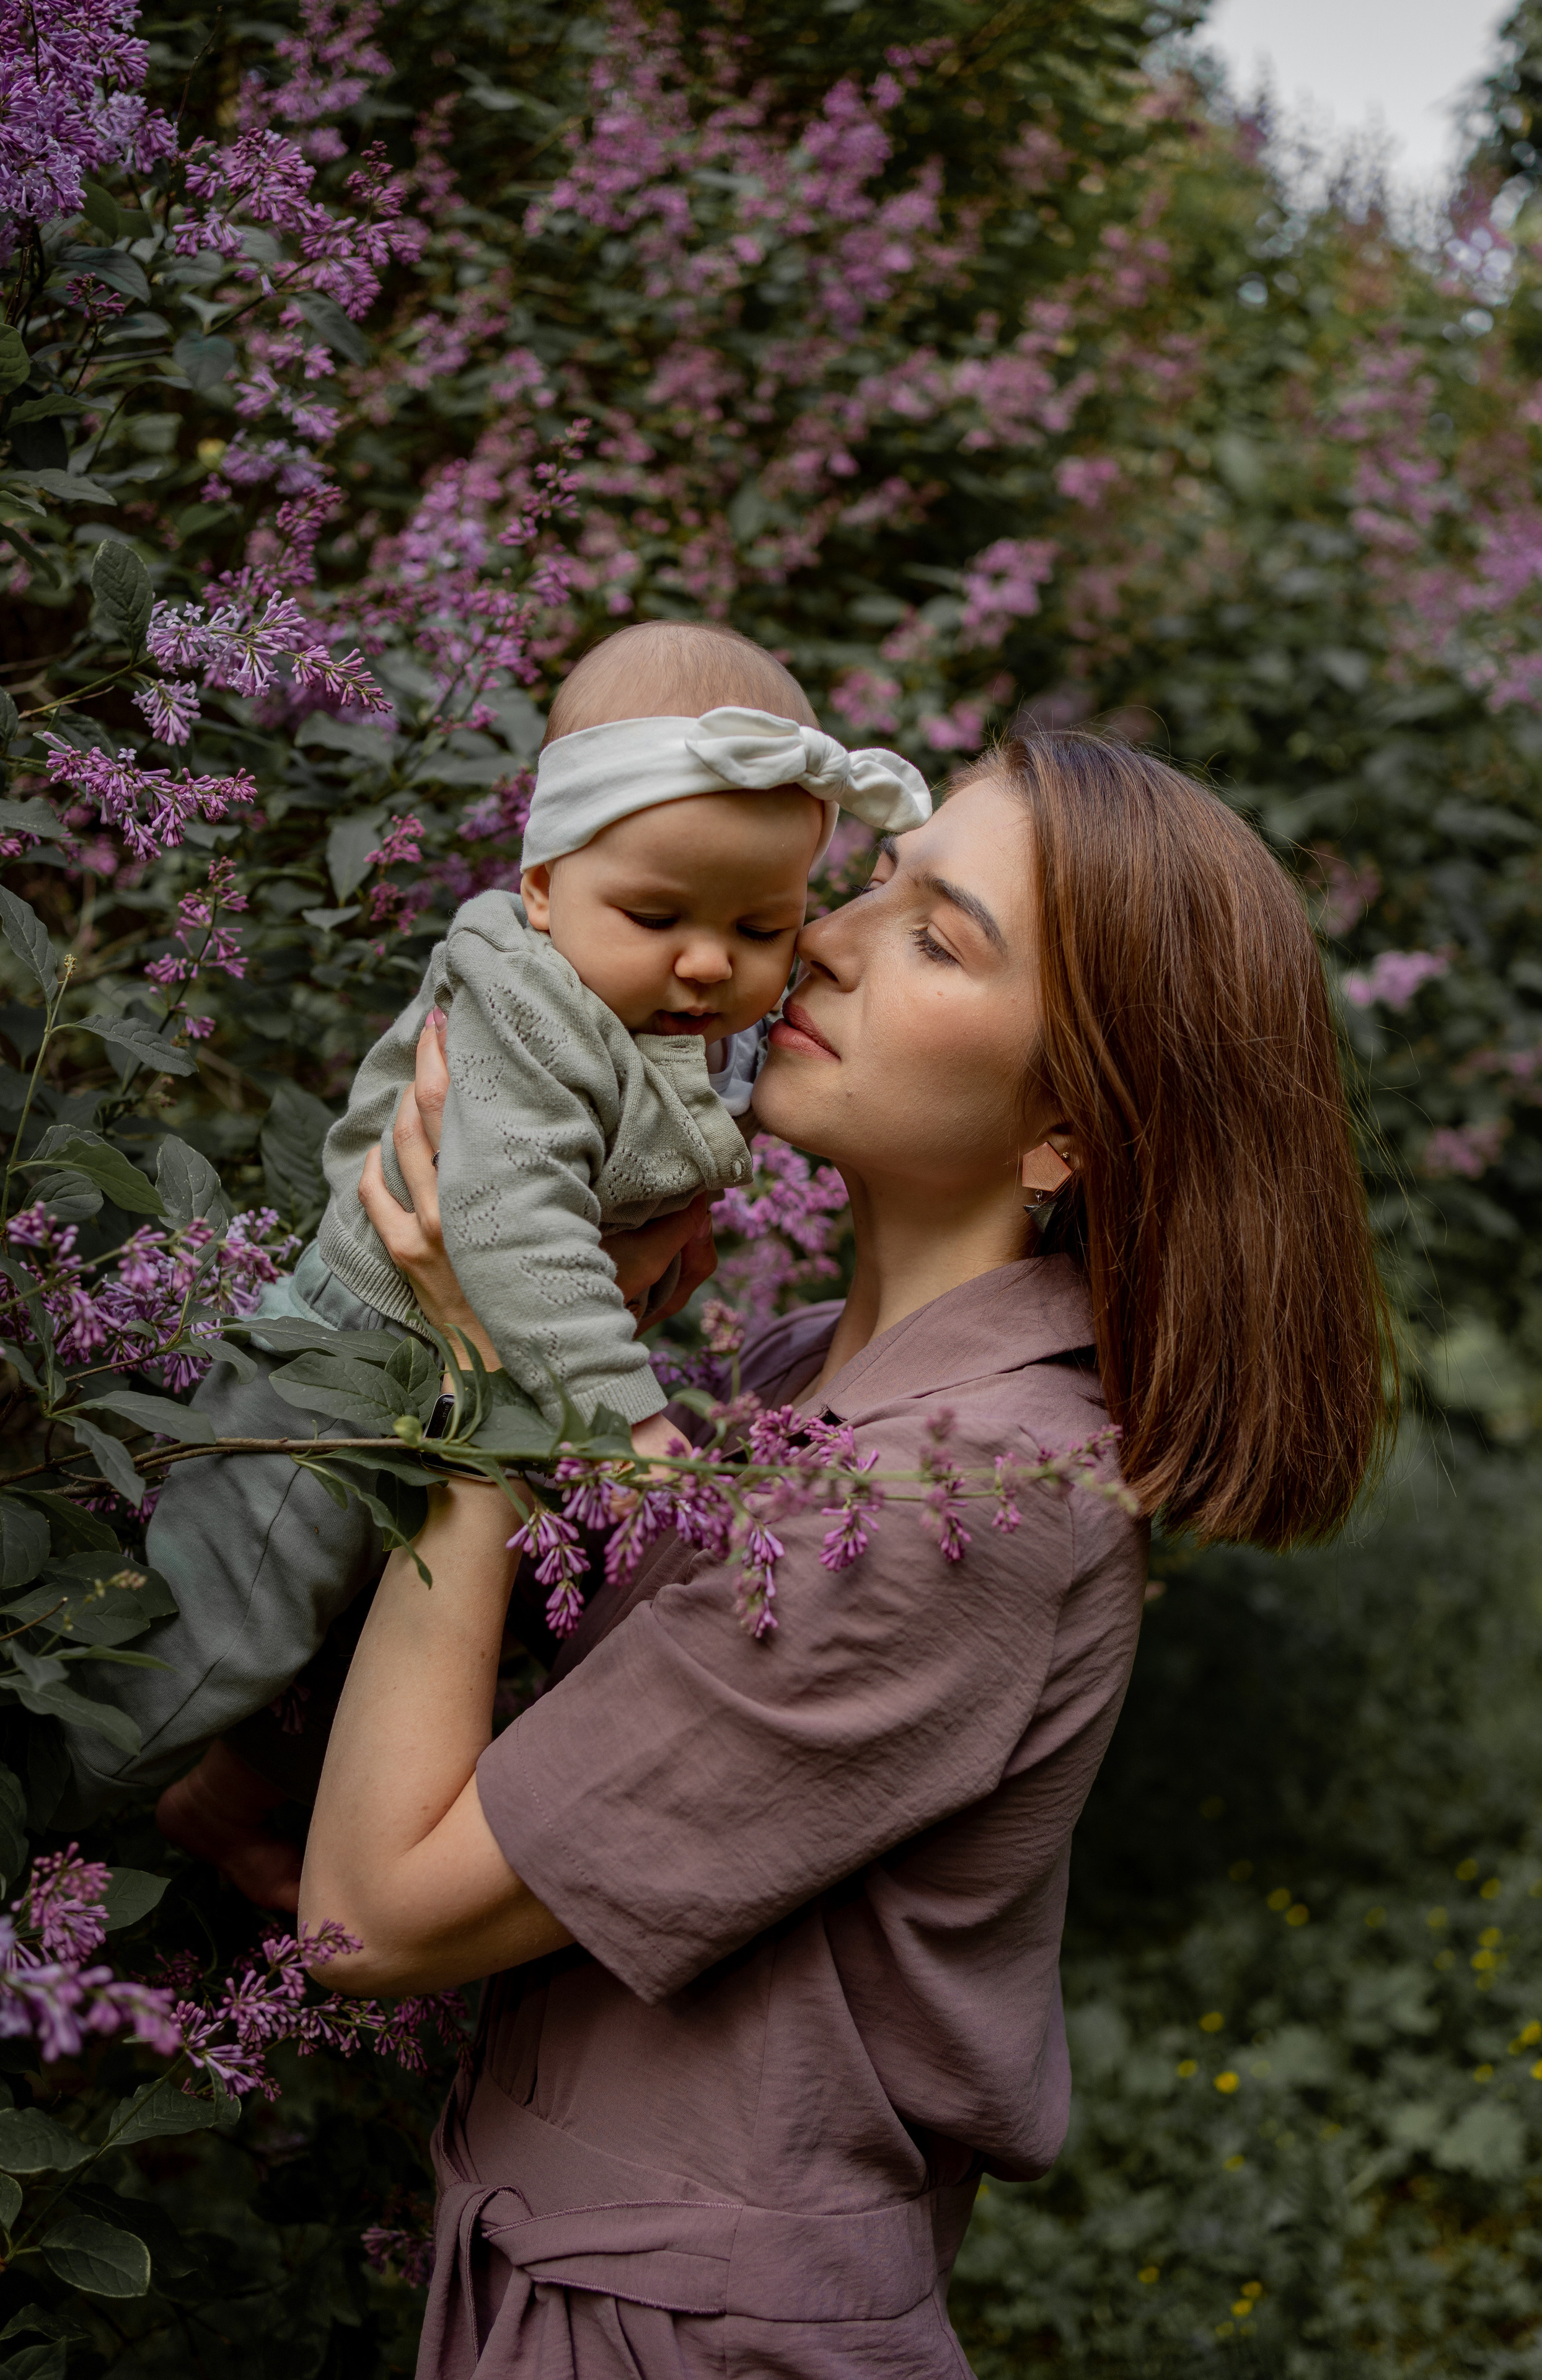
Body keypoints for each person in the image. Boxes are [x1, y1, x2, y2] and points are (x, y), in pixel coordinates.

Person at [299, 731, 1392, 2379]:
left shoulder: (950, 1506)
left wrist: (492, 1392)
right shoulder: (804, 1376)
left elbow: (371, 1919)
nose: (824, 935)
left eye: (940, 937)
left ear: (1068, 1138)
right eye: (876, 884)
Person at [57, 621, 928, 1891]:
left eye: (761, 928)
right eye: (655, 914)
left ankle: (216, 1803)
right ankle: (53, 1793)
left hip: (491, 1368)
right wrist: (624, 1434)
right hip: (349, 1375)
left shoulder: (677, 999)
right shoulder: (521, 1002)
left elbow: (686, 1118)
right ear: (538, 887)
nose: (705, 962)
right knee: (224, 1632)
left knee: (381, 1640)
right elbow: (508, 1222)